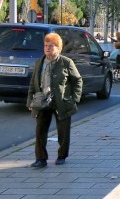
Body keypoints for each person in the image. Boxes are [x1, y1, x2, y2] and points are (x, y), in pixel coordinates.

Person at [27, 32, 83, 168]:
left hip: (61, 102)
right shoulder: (40, 62)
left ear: (58, 48)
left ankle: (61, 156)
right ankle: (41, 158)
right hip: (42, 101)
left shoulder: (66, 62)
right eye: (46, 45)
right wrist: (30, 100)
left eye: (51, 46)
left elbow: (78, 80)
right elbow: (33, 83)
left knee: (63, 131)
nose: (47, 48)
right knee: (40, 130)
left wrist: (74, 98)